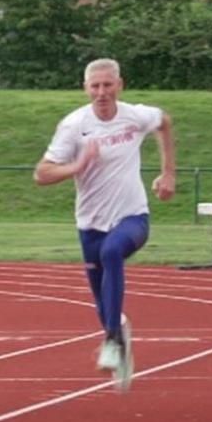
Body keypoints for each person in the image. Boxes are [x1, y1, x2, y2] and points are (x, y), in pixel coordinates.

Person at [34, 58, 176, 393]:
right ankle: (117, 336)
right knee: (101, 299)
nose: (101, 93)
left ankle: (112, 340)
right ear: (85, 89)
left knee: (114, 252)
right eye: (95, 86)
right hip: (90, 225)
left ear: (119, 85)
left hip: (132, 217)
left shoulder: (135, 116)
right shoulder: (74, 126)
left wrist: (168, 172)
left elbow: (165, 123)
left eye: (107, 85)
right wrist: (78, 165)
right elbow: (41, 174)